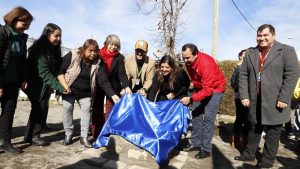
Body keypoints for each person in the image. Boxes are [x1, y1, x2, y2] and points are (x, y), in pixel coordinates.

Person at [234, 24, 299, 168]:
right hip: (254, 99)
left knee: (273, 132)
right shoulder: (251, 53)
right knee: (253, 128)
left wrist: (283, 97)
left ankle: (267, 161)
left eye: (265, 35)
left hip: (276, 100)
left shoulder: (286, 50)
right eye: (259, 35)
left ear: (273, 36)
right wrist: (244, 95)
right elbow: (243, 75)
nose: (261, 38)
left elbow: (292, 75)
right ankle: (249, 154)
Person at [57, 39, 119, 148]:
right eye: (90, 51)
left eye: (95, 51)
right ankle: (68, 134)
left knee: (87, 110)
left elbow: (103, 80)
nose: (93, 54)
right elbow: (60, 70)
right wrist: (64, 86)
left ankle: (84, 137)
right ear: (84, 49)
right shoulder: (73, 55)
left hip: (86, 92)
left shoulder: (99, 61)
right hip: (69, 88)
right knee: (67, 107)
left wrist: (113, 95)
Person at [24, 23, 69, 146]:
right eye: (56, 36)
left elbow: (55, 69)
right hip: (35, 83)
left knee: (40, 108)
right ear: (47, 35)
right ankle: (34, 136)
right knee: (39, 108)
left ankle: (30, 136)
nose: (58, 39)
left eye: (60, 36)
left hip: (44, 85)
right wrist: (60, 87)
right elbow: (44, 73)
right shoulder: (39, 49)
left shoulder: (53, 50)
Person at [180, 43, 226, 159]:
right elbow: (196, 79)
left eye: (187, 58)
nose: (185, 60)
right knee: (196, 114)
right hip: (202, 88)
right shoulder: (188, 63)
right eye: (183, 57)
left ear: (196, 54)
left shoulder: (206, 63)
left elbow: (207, 90)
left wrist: (191, 98)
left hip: (215, 89)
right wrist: (193, 84)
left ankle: (205, 149)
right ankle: (196, 143)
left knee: (208, 119)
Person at [0, 7, 33, 154]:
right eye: (24, 24)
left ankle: (5, 142)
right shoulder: (2, 33)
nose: (26, 28)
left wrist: (24, 78)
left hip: (13, 81)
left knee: (9, 111)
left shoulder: (22, 38)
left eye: (28, 25)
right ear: (14, 19)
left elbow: (22, 60)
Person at [91, 34, 132, 140]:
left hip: (114, 86)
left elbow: (122, 74)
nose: (113, 47)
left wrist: (126, 86)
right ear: (106, 43)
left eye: (116, 45)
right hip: (100, 85)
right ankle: (96, 134)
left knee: (111, 110)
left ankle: (108, 133)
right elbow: (101, 77)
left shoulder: (119, 58)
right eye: (111, 44)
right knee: (97, 109)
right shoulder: (98, 54)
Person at [230, 49, 250, 150]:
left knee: (242, 118)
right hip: (243, 96)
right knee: (244, 119)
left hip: (240, 95)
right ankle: (240, 142)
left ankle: (237, 141)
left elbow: (232, 81)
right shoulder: (241, 66)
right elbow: (234, 81)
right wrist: (240, 91)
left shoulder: (240, 66)